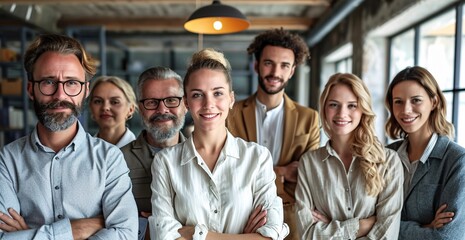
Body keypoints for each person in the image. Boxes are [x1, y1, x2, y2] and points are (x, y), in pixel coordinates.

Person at [0, 34, 137, 239]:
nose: (60, 95)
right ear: (30, 89)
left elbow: (125, 234)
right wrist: (76, 230)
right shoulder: (8, 160)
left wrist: (30, 235)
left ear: (85, 91)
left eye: (71, 83)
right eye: (48, 82)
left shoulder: (110, 158)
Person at [149, 48, 287, 239]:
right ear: (187, 103)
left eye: (218, 93)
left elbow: (272, 234)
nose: (208, 104)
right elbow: (165, 235)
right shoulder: (165, 162)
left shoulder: (258, 157)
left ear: (231, 99)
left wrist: (198, 234)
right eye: (197, 95)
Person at [227, 28, 320, 239]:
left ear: (292, 71)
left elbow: (308, 177)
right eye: (268, 63)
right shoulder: (230, 115)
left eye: (284, 65)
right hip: (239, 219)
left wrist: (254, 172)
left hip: (292, 222)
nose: (275, 72)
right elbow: (227, 171)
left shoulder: (310, 118)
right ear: (256, 65)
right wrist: (283, 172)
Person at [295, 73, 403, 239]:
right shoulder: (309, 163)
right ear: (324, 109)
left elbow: (387, 234)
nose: (341, 113)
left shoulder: (388, 161)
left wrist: (330, 230)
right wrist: (360, 226)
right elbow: (308, 234)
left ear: (363, 110)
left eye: (352, 105)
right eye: (333, 105)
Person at [385, 66, 465, 239]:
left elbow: (447, 237)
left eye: (416, 100)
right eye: (398, 101)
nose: (406, 110)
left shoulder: (457, 160)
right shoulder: (385, 155)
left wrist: (389, 227)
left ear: (434, 102)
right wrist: (425, 228)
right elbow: (365, 218)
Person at [120, 66, 188, 240]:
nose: (162, 109)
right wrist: (145, 228)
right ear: (140, 108)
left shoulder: (203, 157)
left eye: (171, 100)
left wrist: (161, 225)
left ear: (185, 105)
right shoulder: (117, 160)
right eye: (151, 102)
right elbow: (108, 220)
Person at [89, 75, 137, 147]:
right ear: (90, 107)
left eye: (114, 102)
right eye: (98, 101)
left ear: (130, 109)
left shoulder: (143, 156)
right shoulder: (81, 151)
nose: (105, 107)